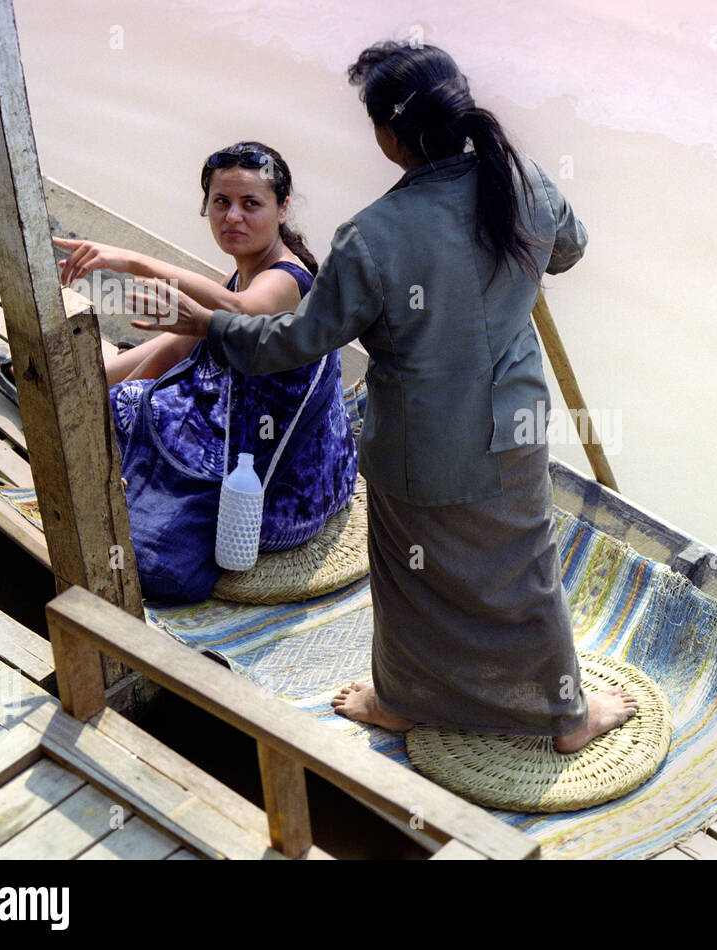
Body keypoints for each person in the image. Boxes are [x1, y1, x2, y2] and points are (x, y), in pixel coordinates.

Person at [132, 43, 634, 752]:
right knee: (524, 571)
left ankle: (402, 700)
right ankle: (565, 715)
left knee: (410, 577)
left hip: (416, 445)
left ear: (388, 137)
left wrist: (210, 323)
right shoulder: (526, 182)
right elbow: (568, 249)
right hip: (511, 426)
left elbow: (295, 341)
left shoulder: (372, 237)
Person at [6, 142, 357, 602]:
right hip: (246, 434)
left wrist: (130, 260)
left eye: (251, 204)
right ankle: (83, 383)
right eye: (221, 202)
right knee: (131, 394)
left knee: (132, 408)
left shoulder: (286, 280)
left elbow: (236, 310)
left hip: (282, 485)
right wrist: (86, 389)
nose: (233, 217)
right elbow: (179, 344)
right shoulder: (246, 270)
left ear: (282, 207)